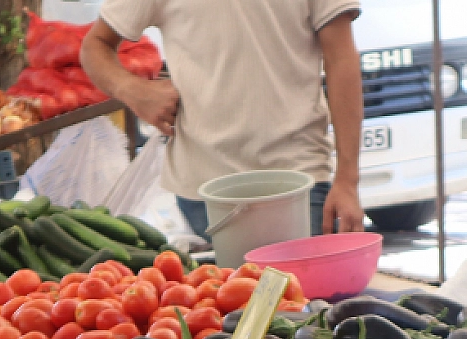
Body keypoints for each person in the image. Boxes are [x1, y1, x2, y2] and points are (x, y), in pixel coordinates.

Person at [80, 0, 365, 240]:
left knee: (299, 303)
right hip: (203, 191)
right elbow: (95, 45)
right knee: (223, 304)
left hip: (297, 179)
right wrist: (133, 90)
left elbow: (341, 58)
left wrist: (347, 181)